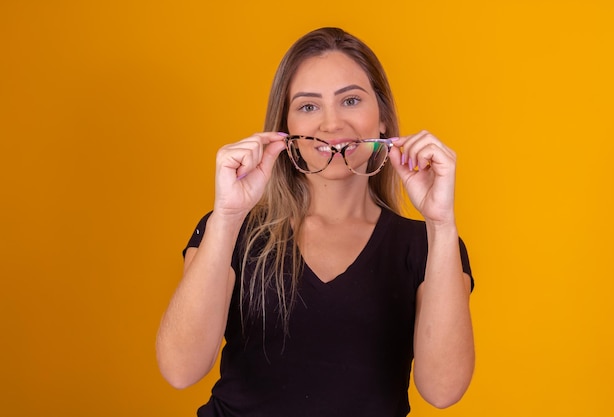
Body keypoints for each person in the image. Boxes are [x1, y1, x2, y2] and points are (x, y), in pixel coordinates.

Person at [156, 27, 475, 417]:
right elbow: (179, 369)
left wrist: (441, 223)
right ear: (286, 128)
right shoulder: (233, 230)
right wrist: (227, 216)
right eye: (308, 106)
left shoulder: (427, 245)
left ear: (383, 121)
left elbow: (443, 390)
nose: (330, 124)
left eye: (351, 100)